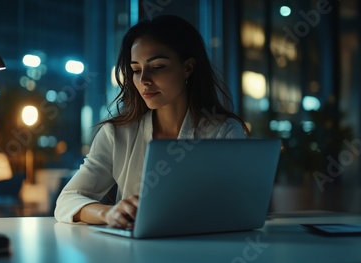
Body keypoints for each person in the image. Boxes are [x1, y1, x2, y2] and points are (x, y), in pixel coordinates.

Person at [54, 14, 250, 228]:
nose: (144, 80)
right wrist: (109, 213)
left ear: (188, 67)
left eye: (157, 67)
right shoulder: (117, 133)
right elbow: (68, 199)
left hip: (204, 251)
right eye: (136, 70)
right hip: (133, 254)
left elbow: (237, 208)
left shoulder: (223, 132)